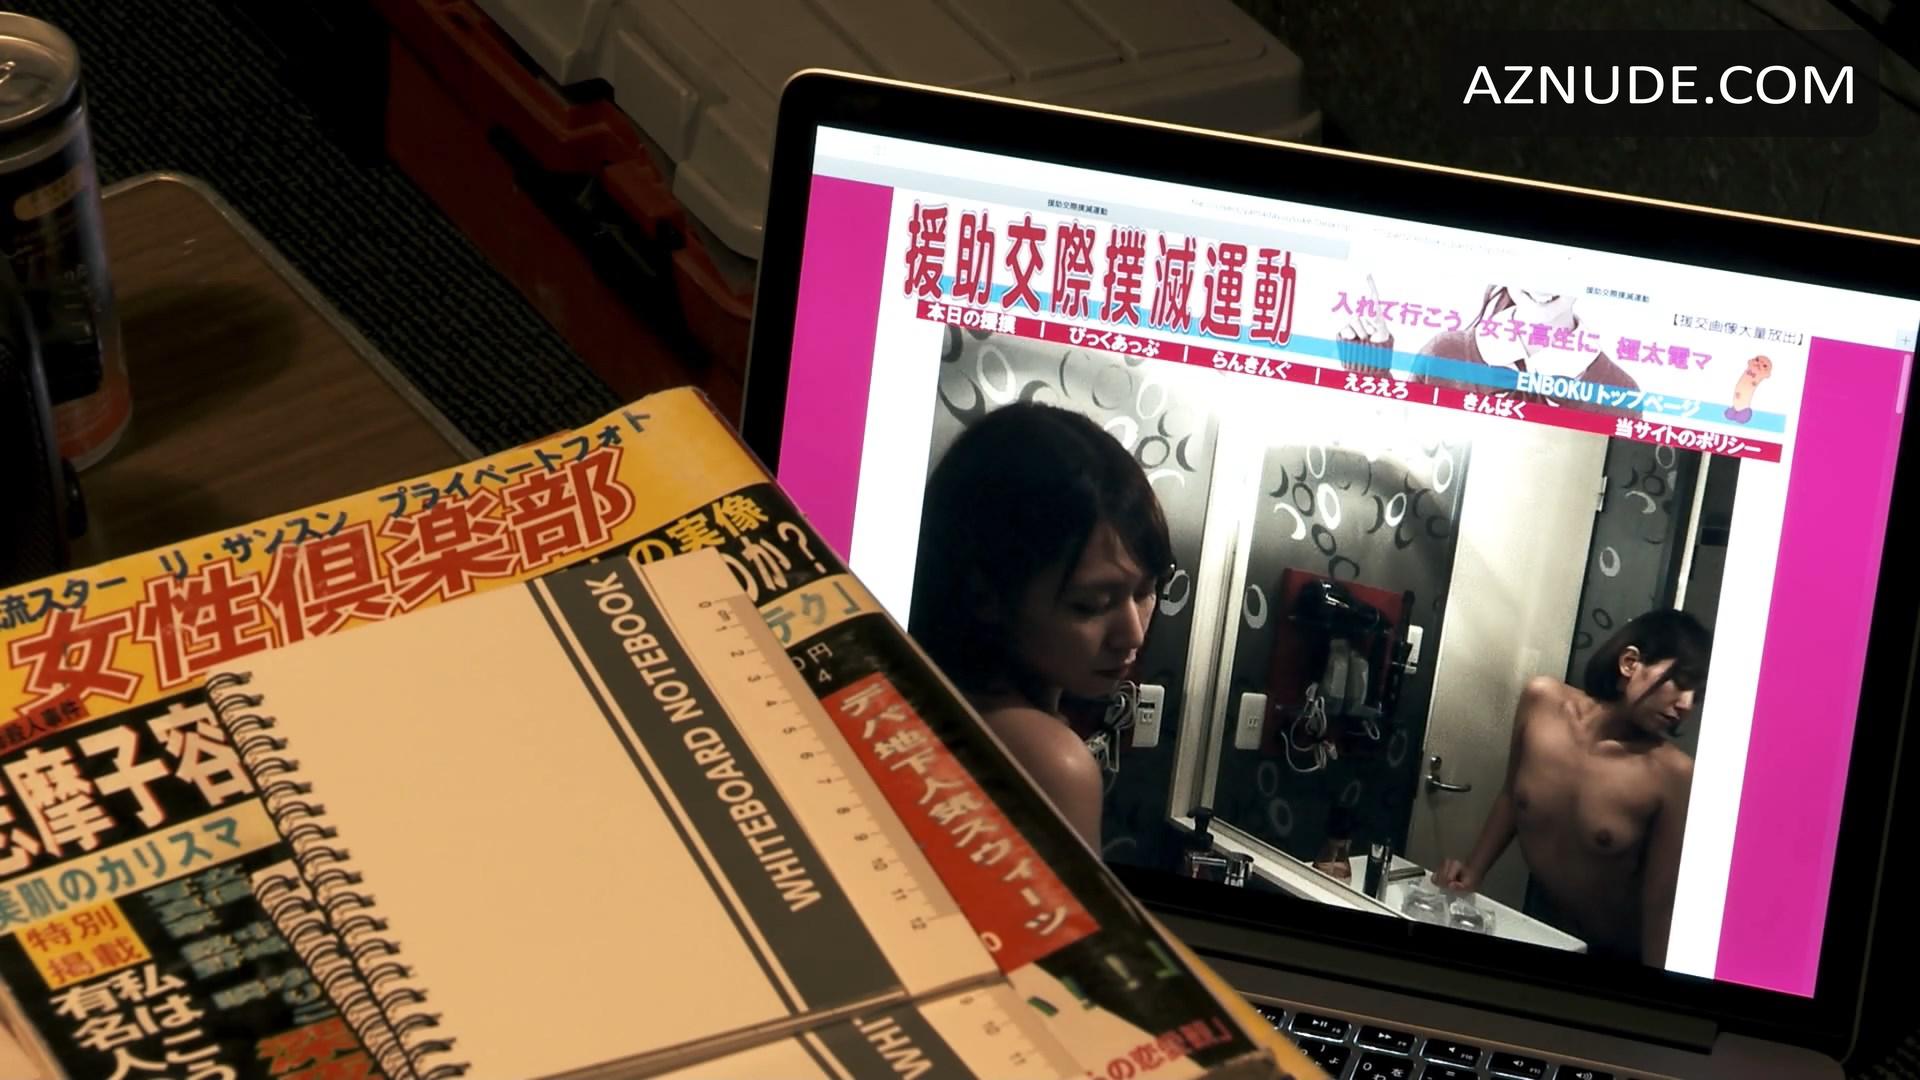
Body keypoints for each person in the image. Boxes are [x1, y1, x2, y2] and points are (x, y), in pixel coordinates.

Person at [909, 402, 1173, 850]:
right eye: (1090, 605)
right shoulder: (1048, 761)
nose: (1133, 634)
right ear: (985, 594)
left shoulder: (931, 707)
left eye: (1146, 591)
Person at [1432, 609, 1710, 966]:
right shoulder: (1541, 701)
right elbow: (1512, 797)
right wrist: (1474, 871)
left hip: (1617, 957)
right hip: (1544, 929)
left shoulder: (1672, 774)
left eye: (1697, 695)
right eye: (1680, 683)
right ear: (1630, 663)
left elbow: (1661, 904)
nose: (1686, 704)